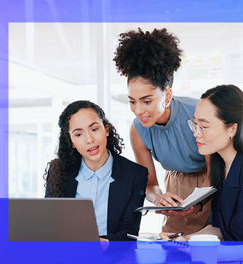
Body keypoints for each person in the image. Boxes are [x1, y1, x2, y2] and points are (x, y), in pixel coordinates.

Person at [113, 28, 210, 234]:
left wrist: (197, 202)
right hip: (175, 188)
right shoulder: (138, 130)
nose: (139, 111)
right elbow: (150, 184)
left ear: (167, 96)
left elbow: (215, 170)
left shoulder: (199, 112)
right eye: (132, 101)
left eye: (147, 101)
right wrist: (159, 198)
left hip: (210, 185)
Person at [44, 100, 148, 241]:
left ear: (106, 129)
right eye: (78, 134)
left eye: (94, 129)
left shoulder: (135, 174)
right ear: (71, 142)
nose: (89, 139)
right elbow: (51, 226)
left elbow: (130, 232)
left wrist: (104, 244)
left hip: (114, 257)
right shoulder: (58, 171)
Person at [161, 84, 243, 241]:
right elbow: (219, 228)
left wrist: (197, 249)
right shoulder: (220, 167)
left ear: (232, 129)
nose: (196, 133)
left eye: (204, 126)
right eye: (195, 124)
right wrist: (185, 241)